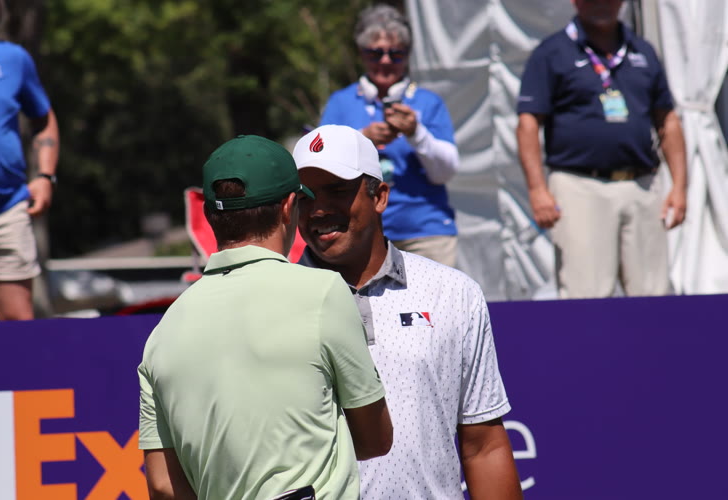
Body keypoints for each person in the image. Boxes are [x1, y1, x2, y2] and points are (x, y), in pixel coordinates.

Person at [138, 135, 393, 499]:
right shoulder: (323, 292)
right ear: (289, 207)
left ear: (210, 216)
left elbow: (163, 485)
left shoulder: (163, 333)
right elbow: (375, 440)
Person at [293, 124, 522, 499]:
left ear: (379, 197)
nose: (318, 209)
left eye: (337, 190)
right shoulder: (276, 300)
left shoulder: (452, 292)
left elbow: (483, 445)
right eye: (306, 196)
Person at [516, 0, 688, 299]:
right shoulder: (552, 52)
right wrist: (537, 189)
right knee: (587, 295)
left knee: (653, 295)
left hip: (642, 184)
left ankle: (648, 334)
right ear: (575, 2)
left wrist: (680, 187)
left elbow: (667, 120)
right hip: (580, 185)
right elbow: (528, 124)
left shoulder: (642, 50)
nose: (602, 4)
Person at [319, 4, 460, 267]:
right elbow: (320, 168)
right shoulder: (340, 102)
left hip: (426, 230)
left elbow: (446, 172)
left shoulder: (428, 102)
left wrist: (416, 133)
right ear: (361, 54)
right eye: (375, 53)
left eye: (396, 54)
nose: (385, 60)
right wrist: (362, 139)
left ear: (407, 55)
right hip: (360, 232)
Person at [0, 0, 59, 320]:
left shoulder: (12, 58)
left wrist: (45, 176)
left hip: (6, 210)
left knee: (17, 332)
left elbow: (44, 119)